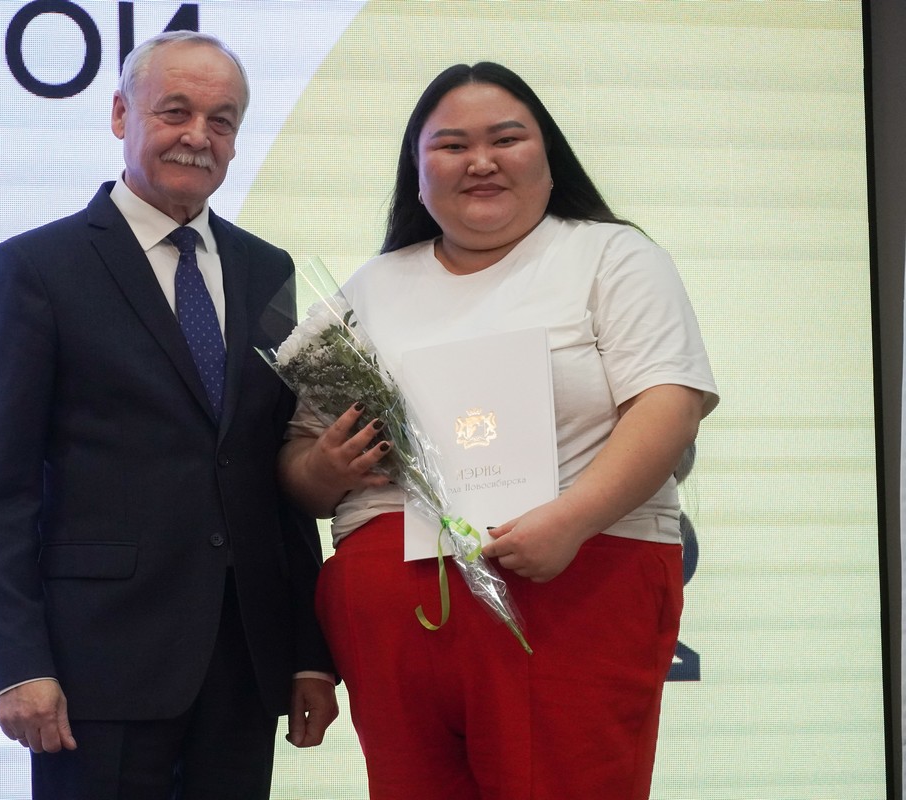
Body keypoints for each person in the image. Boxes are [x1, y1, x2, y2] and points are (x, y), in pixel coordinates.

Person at [279, 62, 718, 800]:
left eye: (505, 139)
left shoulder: (611, 256)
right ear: (417, 173)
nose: (480, 161)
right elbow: (298, 465)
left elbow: (669, 404)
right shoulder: (368, 288)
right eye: (451, 146)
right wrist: (325, 466)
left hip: (573, 581)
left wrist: (570, 523)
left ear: (548, 156)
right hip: (391, 611)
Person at [0, 30, 337, 800]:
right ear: (120, 115)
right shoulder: (37, 268)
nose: (199, 135)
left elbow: (272, 465)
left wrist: (308, 652)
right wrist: (19, 664)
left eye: (222, 120)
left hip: (243, 663)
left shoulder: (267, 269)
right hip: (95, 667)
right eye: (175, 111)